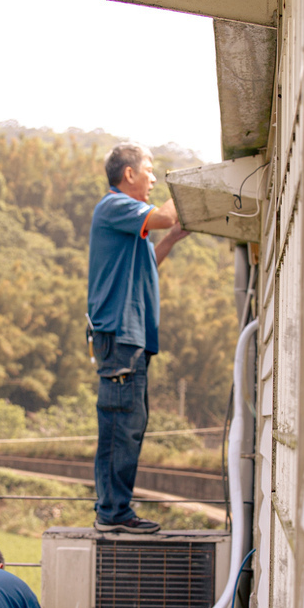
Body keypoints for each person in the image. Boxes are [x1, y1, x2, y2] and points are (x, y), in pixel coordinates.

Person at [87, 143, 189, 534]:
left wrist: (172, 239)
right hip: (120, 336)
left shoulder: (129, 223)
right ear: (128, 174)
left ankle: (115, 509)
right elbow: (164, 214)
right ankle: (112, 513)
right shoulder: (115, 206)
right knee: (121, 424)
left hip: (130, 339)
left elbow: (150, 258)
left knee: (130, 421)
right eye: (149, 171)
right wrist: (185, 191)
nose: (151, 179)